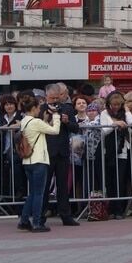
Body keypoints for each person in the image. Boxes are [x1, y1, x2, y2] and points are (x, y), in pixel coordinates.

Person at [16, 95, 62, 232]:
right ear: (34, 108)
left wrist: (45, 121)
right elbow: (55, 131)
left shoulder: (24, 121)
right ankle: (36, 222)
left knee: (33, 193)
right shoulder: (36, 122)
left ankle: (24, 220)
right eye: (38, 108)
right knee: (39, 194)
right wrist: (56, 116)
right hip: (39, 160)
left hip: (27, 160)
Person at [43, 83, 80, 226]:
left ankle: (66, 215)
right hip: (46, 151)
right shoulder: (41, 109)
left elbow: (75, 128)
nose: (54, 101)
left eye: (57, 98)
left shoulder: (67, 109)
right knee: (44, 185)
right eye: (51, 98)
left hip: (63, 152)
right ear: (47, 96)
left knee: (63, 185)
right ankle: (41, 215)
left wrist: (67, 122)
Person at [100, 92, 132, 219]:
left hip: (121, 151)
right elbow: (105, 129)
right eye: (113, 105)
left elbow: (131, 121)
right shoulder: (104, 113)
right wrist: (115, 124)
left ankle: (119, 209)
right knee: (109, 181)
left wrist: (126, 109)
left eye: (118, 105)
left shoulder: (123, 112)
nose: (116, 107)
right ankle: (111, 208)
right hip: (108, 151)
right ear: (109, 104)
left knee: (119, 180)